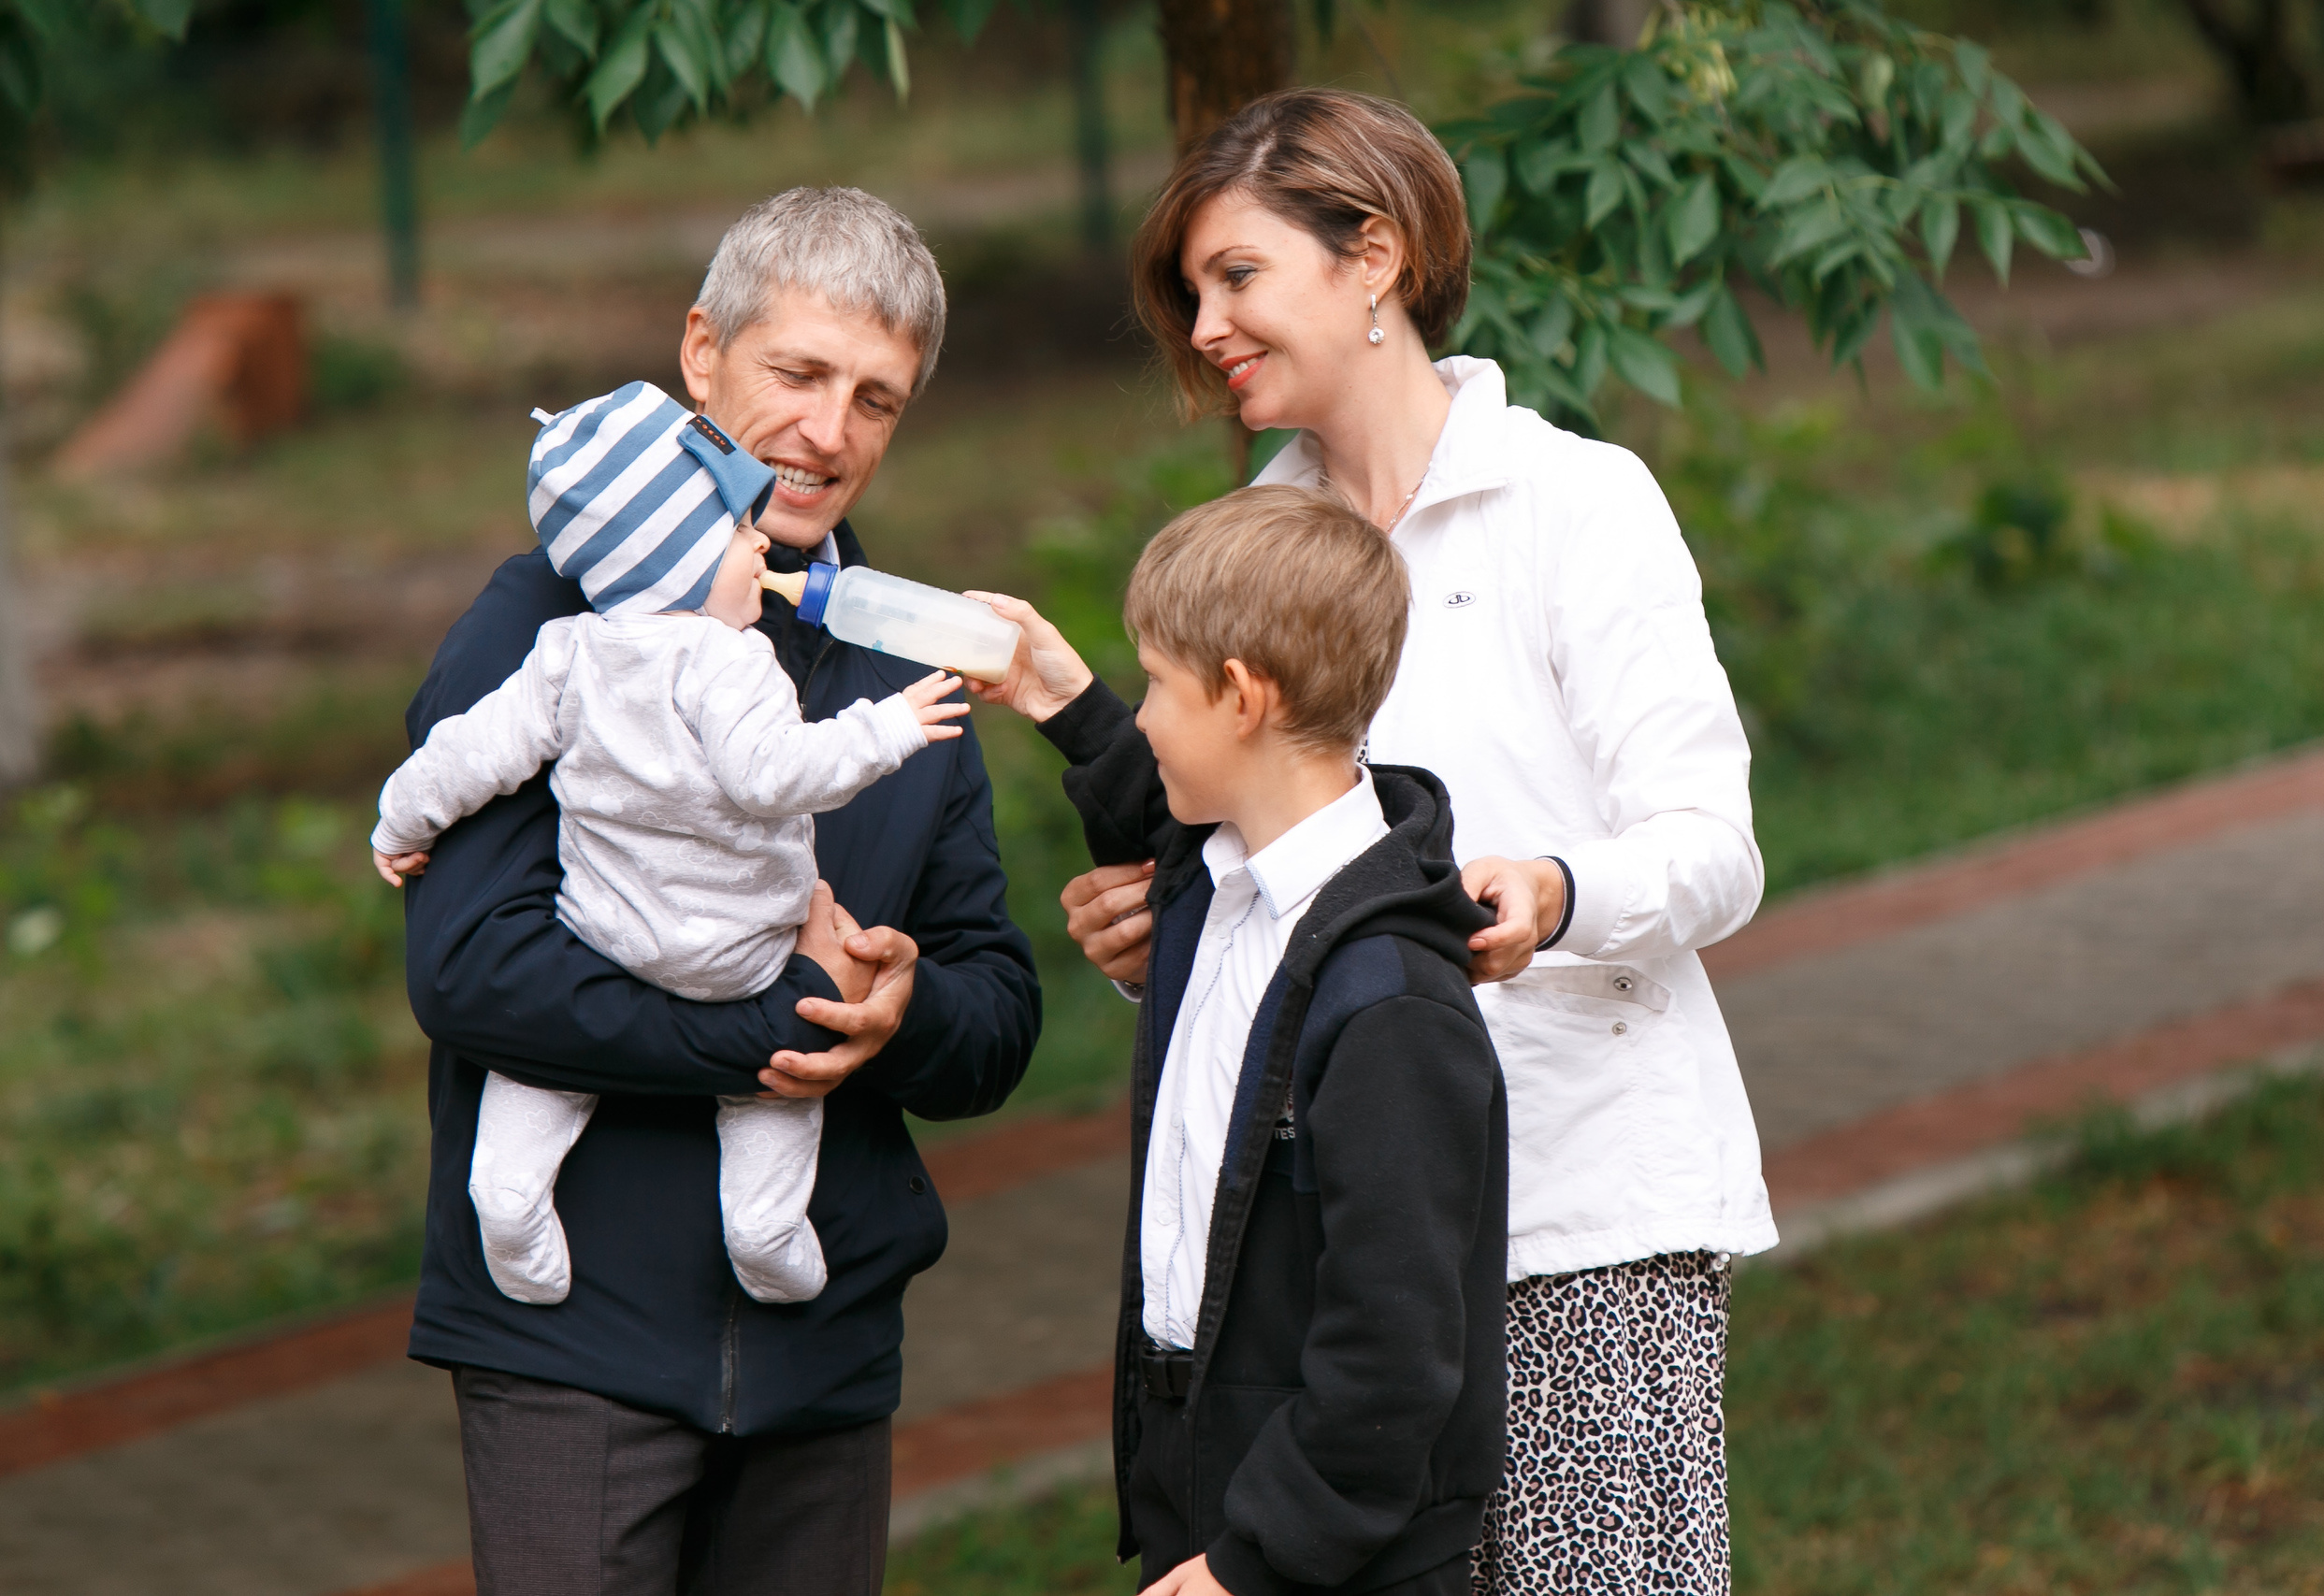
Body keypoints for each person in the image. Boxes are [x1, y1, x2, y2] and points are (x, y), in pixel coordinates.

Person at [978, 91, 1775, 1594]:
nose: (1205, 325)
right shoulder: (1259, 544)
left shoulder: (1575, 502)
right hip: (1336, 1260)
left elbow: (1714, 847)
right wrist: (1179, 922)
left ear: (1376, 258)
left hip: (1579, 1223)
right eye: (1191, 290)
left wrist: (1556, 888)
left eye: (1236, 276)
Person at [397, 187, 1039, 1595]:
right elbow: (472, 970)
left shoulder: (901, 667)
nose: (828, 431)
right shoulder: (544, 633)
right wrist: (775, 1033)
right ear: (703, 354)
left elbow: (997, 1008)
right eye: (797, 374)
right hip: (576, 1350)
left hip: (822, 1359)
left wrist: (906, 1012)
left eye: (876, 398)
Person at [371, 380, 969, 1310]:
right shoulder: (733, 662)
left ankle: (509, 1198)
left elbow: (470, 755)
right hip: (743, 956)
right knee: (772, 1096)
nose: (760, 540)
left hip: (607, 936)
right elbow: (777, 774)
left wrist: (399, 824)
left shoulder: (567, 651)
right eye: (736, 533)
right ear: (678, 559)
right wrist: (890, 726)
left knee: (538, 1077)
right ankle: (767, 1233)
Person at [1014, 484, 1508, 1596]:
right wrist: (1060, 702)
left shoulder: (1389, 1006)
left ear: (1241, 695)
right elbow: (1156, 799)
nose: (1138, 716)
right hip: (1203, 1499)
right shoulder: (1216, 882)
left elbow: (1393, 1354)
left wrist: (1255, 1562)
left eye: (1154, 685)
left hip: (1321, 1557)